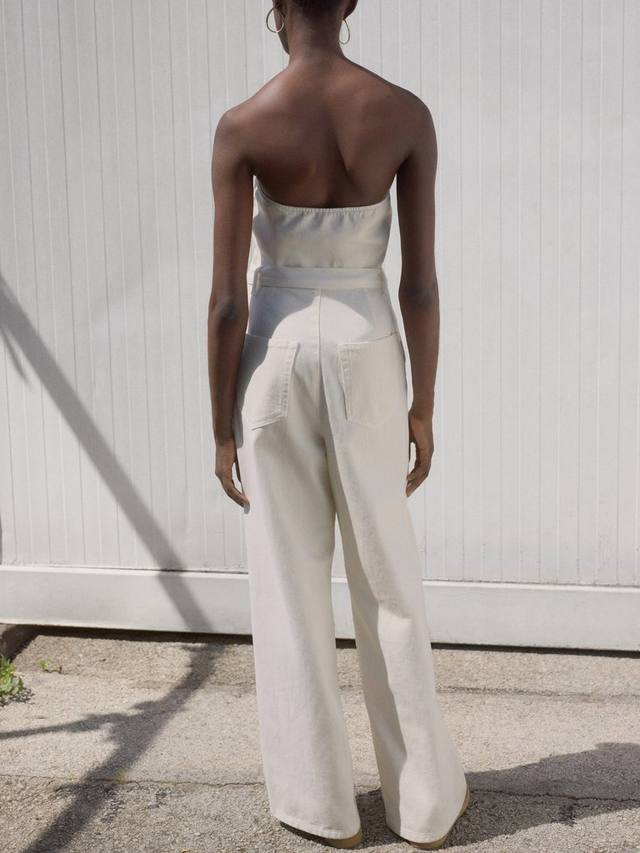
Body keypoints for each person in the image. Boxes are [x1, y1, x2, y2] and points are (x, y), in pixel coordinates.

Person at [207, 0, 470, 848]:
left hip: (276, 353)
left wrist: (220, 426)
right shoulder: (404, 114)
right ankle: (424, 805)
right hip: (368, 351)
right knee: (389, 575)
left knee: (288, 584)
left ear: (276, 8)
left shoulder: (244, 124)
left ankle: (320, 806)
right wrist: (423, 403)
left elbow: (226, 301)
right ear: (350, 3)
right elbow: (419, 283)